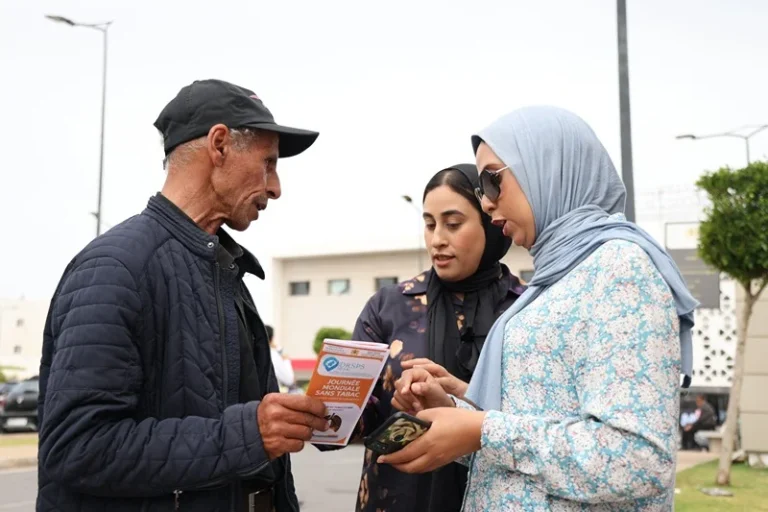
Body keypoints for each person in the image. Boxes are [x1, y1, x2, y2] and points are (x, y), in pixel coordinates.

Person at [380, 106, 698, 511]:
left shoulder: (618, 269)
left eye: (493, 181)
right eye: (480, 188)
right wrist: (456, 412)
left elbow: (637, 459)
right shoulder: (554, 278)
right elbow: (536, 428)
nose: (488, 203)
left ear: (549, 168)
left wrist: (482, 430)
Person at [37, 79, 331, 511]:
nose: (275, 187)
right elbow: (77, 446)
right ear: (219, 145)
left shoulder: (225, 271)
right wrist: (248, 435)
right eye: (268, 163)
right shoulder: (115, 269)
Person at [325, 165, 525, 512]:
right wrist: (323, 413)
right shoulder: (389, 307)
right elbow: (344, 426)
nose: (437, 239)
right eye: (430, 224)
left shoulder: (526, 310)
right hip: (397, 497)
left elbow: (542, 422)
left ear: (490, 225)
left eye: (453, 223)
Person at [266, 325, 301, 394]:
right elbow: (289, 380)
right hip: (271, 398)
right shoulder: (273, 355)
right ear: (272, 338)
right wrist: (286, 360)